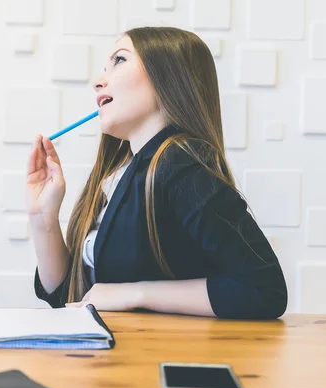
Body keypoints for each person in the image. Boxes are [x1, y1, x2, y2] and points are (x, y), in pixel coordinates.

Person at [25, 26, 288, 320]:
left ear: (168, 77)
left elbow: (263, 289)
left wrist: (136, 293)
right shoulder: (119, 176)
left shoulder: (180, 162)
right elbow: (72, 299)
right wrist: (42, 216)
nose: (98, 82)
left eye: (120, 61)